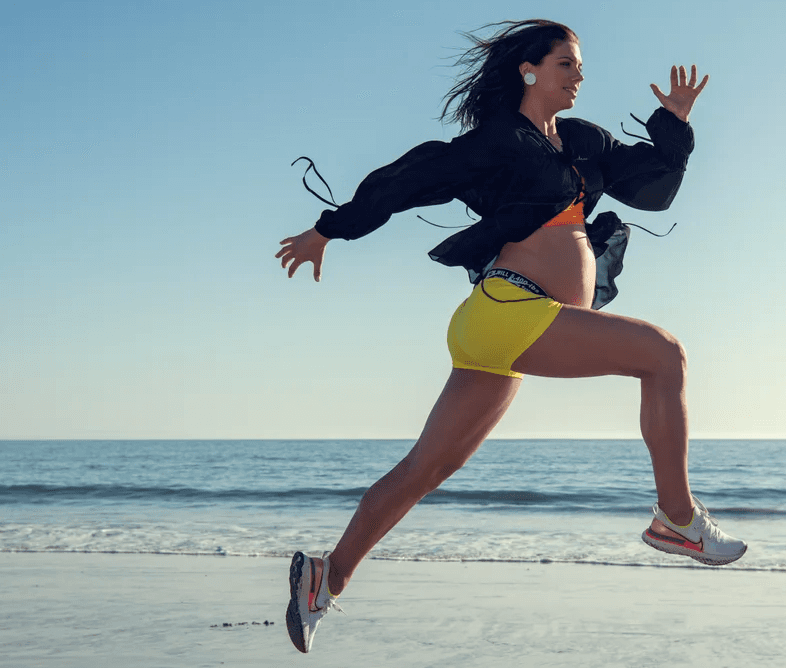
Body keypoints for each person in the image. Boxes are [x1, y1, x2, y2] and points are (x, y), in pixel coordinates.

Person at [275, 19, 747, 654]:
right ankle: (678, 519)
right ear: (529, 70)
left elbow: (652, 190)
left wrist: (676, 124)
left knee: (425, 469)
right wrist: (328, 230)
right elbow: (408, 178)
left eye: (579, 66)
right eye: (565, 64)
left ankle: (324, 580)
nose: (579, 76)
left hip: (504, 330)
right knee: (664, 355)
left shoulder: (583, 142)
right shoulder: (498, 141)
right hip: (510, 310)